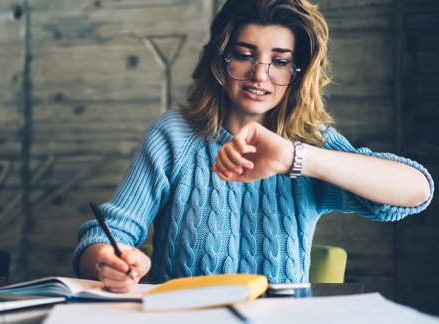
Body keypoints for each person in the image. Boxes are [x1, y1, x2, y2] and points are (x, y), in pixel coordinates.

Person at [73, 0, 434, 293]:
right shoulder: (176, 134)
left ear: (297, 72)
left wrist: (296, 158)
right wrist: (110, 259)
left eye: (279, 62)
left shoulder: (308, 141)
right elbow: (105, 235)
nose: (260, 75)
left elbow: (418, 190)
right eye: (245, 55)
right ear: (220, 59)